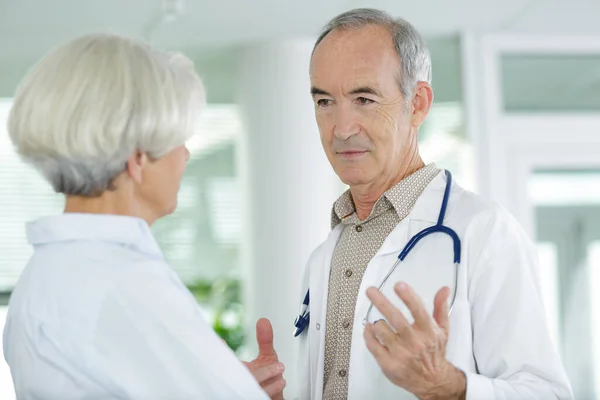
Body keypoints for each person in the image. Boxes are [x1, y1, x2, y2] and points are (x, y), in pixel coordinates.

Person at [296, 8, 573, 400]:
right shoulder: (325, 254)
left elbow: (549, 394)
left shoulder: (484, 231)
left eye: (364, 98)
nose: (341, 129)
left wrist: (448, 387)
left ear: (418, 104)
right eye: (325, 102)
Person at [3, 33, 285, 399]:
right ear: (137, 160)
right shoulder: (123, 282)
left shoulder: (44, 274)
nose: (184, 155)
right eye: (177, 140)